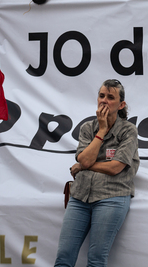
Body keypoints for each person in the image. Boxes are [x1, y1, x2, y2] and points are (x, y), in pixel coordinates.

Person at [54, 79, 140, 267]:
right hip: (80, 197)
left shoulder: (128, 131)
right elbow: (84, 160)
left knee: (96, 260)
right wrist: (101, 130)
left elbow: (115, 168)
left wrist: (83, 166)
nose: (104, 101)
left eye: (110, 97)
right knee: (63, 258)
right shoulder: (88, 128)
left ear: (121, 104)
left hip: (112, 197)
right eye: (101, 96)